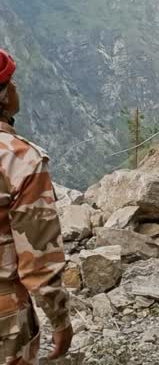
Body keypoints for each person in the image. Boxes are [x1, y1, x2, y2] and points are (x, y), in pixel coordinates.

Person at [0, 48, 73, 365]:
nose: (16, 89)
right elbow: (38, 258)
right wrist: (60, 321)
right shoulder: (21, 160)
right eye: (11, 82)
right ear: (3, 96)